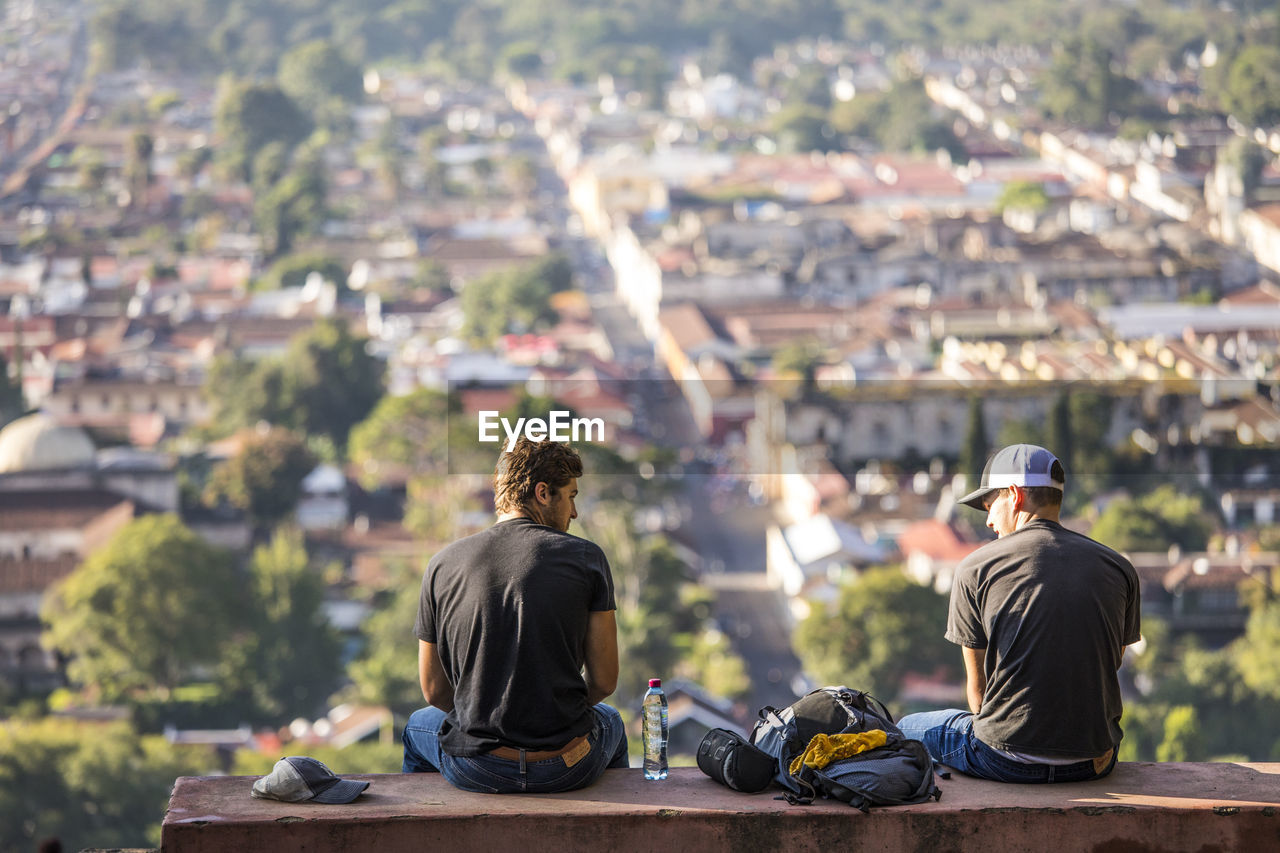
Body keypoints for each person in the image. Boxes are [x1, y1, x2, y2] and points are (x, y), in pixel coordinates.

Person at [897, 444, 1140, 783]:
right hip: (1094, 762)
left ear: (1014, 495)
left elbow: (978, 697)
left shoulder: (976, 568)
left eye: (988, 505)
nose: (988, 520)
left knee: (904, 727)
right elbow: (1108, 664)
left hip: (1004, 760)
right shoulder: (1118, 567)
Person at [402, 436, 628, 793]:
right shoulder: (587, 558)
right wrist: (549, 713)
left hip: (477, 767)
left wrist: (482, 717)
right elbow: (603, 683)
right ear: (543, 492)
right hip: (566, 766)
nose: (574, 513)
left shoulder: (442, 564)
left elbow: (433, 691)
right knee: (610, 720)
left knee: (418, 725)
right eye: (571, 496)